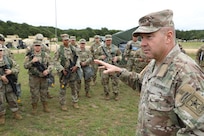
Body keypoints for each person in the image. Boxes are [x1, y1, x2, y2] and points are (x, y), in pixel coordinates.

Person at [94, 9, 204, 135]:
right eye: (142, 38)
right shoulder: (155, 62)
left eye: (149, 37)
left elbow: (198, 130)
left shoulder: (185, 72)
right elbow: (142, 84)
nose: (143, 44)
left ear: (168, 36)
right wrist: (119, 71)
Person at [24, 40, 53, 115]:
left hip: (44, 77)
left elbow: (51, 64)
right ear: (33, 47)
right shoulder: (29, 56)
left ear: (41, 46)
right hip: (34, 77)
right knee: (34, 92)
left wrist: (47, 70)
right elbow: (25, 66)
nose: (37, 47)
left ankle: (45, 106)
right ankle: (34, 107)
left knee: (44, 91)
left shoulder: (45, 55)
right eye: (36, 46)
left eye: (38, 46)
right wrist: (32, 62)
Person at [53, 34, 81, 111]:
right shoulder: (59, 50)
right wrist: (61, 69)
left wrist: (76, 66)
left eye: (67, 40)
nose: (67, 41)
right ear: (62, 41)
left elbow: (78, 57)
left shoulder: (73, 48)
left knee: (74, 87)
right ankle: (63, 104)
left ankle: (75, 102)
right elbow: (55, 60)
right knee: (63, 88)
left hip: (72, 71)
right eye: (65, 40)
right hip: (64, 72)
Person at [94, 34, 122, 101]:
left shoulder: (115, 48)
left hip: (113, 67)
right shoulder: (100, 48)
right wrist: (101, 57)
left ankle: (116, 94)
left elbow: (120, 55)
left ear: (111, 40)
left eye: (109, 40)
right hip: (104, 68)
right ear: (105, 40)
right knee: (105, 82)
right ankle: (107, 94)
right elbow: (95, 56)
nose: (108, 41)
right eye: (107, 40)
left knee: (115, 81)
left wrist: (117, 58)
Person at [0, 47, 22, 125]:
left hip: (9, 84)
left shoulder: (8, 60)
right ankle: (1, 115)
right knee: (0, 100)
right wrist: (1, 77)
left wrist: (11, 71)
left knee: (12, 98)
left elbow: (17, 68)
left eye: (0, 50)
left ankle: (15, 112)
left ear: (3, 51)